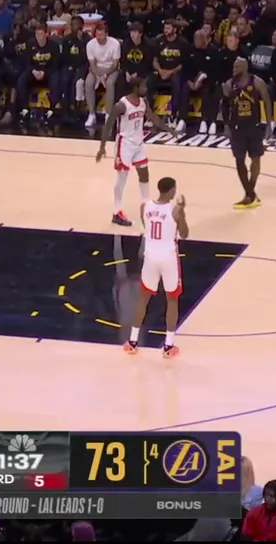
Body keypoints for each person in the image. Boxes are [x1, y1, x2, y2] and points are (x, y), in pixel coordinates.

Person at [96, 77, 173, 227]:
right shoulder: (121, 105)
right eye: (143, 86)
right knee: (122, 179)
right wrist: (102, 147)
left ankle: (147, 207)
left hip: (138, 143)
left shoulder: (143, 102)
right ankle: (116, 212)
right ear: (135, 88)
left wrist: (169, 130)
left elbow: (153, 118)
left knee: (144, 174)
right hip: (125, 144)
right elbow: (108, 125)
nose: (146, 89)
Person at [124, 177, 188, 358]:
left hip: (150, 256)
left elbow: (147, 228)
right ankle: (168, 346)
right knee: (172, 300)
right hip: (168, 258)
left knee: (143, 299)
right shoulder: (175, 210)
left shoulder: (144, 207)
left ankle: (132, 341)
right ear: (171, 191)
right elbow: (184, 234)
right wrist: (182, 213)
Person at [222, 57, 275, 209]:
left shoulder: (257, 82)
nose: (234, 70)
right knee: (239, 161)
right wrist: (226, 126)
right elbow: (224, 106)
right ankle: (250, 194)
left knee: (255, 159)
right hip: (236, 127)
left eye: (237, 67)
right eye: (233, 67)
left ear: (244, 68)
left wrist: (269, 124)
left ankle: (250, 191)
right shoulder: (228, 85)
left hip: (254, 126)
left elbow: (267, 102)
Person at [84, 22, 121, 127]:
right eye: (97, 35)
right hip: (96, 69)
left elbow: (115, 65)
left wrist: (105, 75)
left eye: (101, 35)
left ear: (106, 34)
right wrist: (99, 76)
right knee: (88, 83)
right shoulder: (90, 44)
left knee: (109, 83)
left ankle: (108, 114)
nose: (98, 38)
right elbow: (92, 65)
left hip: (111, 69)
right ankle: (91, 114)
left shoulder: (115, 44)